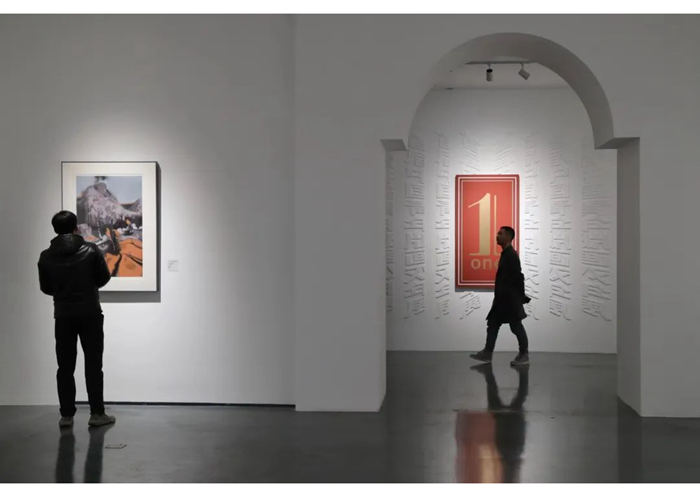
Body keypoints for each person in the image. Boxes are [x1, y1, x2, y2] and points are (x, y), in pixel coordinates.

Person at [38, 211, 116, 428]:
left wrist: (63, 292)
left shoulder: (46, 256)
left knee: (64, 366)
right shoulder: (90, 250)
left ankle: (66, 416)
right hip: (90, 313)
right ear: (76, 228)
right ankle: (97, 414)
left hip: (63, 314)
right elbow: (103, 278)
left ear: (55, 229)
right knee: (93, 364)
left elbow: (46, 287)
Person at [471, 226, 531, 367]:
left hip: (510, 301)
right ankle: (487, 352)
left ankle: (524, 354)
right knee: (493, 324)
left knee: (516, 326)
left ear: (508, 237)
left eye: (500, 234)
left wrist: (520, 297)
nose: (497, 236)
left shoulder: (511, 255)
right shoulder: (506, 254)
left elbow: (519, 277)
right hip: (502, 300)